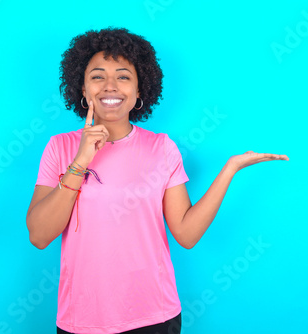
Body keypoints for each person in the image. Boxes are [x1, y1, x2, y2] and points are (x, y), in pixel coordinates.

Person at [26, 27, 288, 334]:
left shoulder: (161, 148)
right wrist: (80, 162)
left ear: (139, 91)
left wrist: (230, 169)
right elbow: (40, 235)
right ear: (82, 89)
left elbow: (187, 234)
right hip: (82, 319)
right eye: (97, 76)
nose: (110, 86)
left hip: (153, 317)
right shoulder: (60, 147)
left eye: (123, 76)